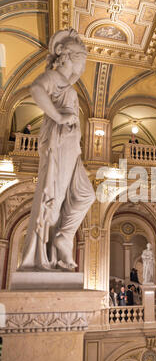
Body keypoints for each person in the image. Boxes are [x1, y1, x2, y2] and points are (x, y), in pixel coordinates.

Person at [18, 29, 95, 271]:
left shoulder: (65, 83)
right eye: (81, 59)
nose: (82, 66)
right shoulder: (53, 77)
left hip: (72, 147)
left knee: (85, 194)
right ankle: (44, 255)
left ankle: (63, 236)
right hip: (59, 142)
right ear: (67, 57)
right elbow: (36, 90)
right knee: (55, 196)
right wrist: (59, 118)